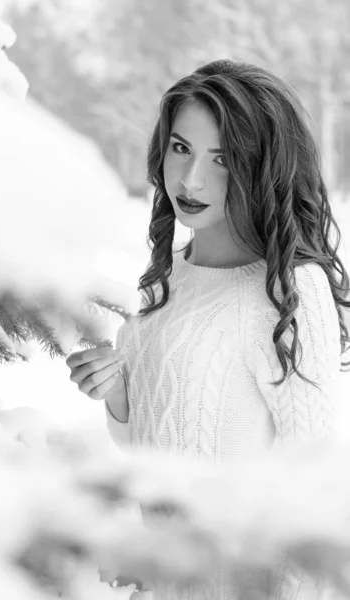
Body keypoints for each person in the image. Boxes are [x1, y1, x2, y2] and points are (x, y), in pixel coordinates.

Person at [66, 59, 350, 599]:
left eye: (222, 159)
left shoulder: (291, 289)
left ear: (263, 165)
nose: (191, 180)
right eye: (181, 148)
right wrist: (120, 395)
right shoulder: (164, 277)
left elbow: (307, 491)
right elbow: (157, 447)